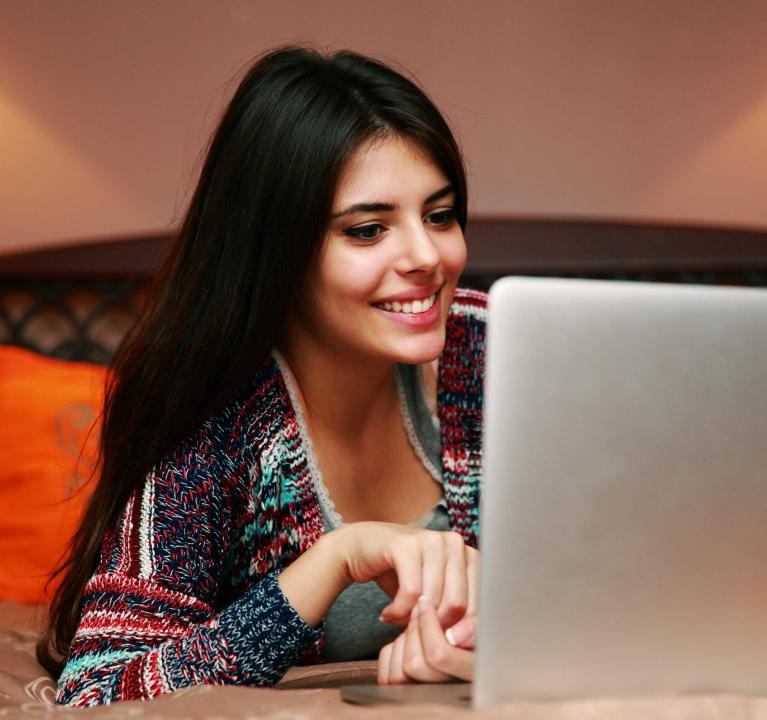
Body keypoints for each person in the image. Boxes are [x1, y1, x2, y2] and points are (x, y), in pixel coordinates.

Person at [36, 45, 487, 707]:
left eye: (440, 215)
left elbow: (616, 579)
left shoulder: (491, 353)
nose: (426, 256)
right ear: (277, 249)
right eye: (367, 230)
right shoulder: (216, 413)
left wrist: (500, 641)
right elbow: (101, 691)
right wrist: (335, 561)